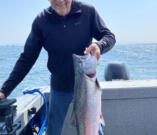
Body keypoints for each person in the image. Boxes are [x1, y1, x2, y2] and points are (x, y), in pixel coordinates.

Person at [0, 0, 116, 134]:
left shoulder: (87, 11)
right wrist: (4, 91)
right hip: (60, 87)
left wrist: (99, 46)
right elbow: (27, 58)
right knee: (53, 129)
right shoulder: (41, 21)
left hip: (87, 86)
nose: (60, 1)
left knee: (94, 125)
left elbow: (109, 36)